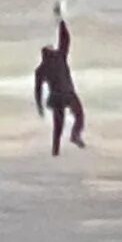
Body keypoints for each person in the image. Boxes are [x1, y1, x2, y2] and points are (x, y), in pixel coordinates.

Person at [34, 18, 86, 157]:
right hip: (67, 94)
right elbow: (65, 40)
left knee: (58, 127)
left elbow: (37, 91)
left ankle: (55, 152)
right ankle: (75, 135)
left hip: (57, 97)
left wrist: (39, 106)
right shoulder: (59, 57)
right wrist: (61, 22)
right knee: (79, 116)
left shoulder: (41, 69)